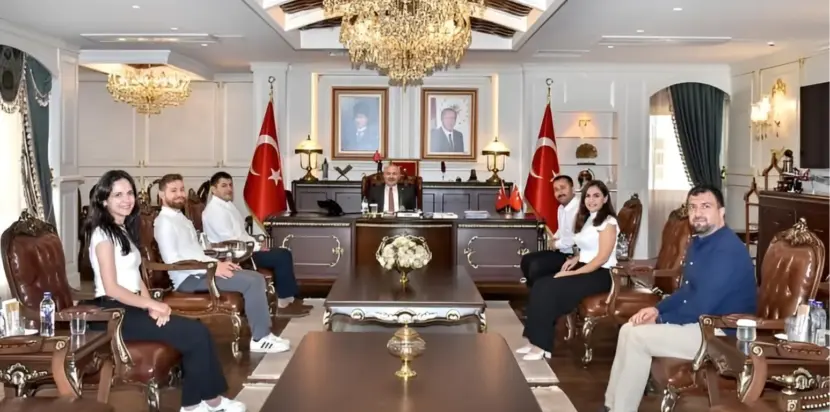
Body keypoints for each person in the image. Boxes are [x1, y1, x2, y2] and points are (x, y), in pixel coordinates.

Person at [84, 170, 246, 412]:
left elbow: (136, 277)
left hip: (132, 306)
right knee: (195, 333)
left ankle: (203, 402)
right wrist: (151, 305)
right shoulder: (103, 235)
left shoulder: (122, 229)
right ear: (104, 200)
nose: (126, 199)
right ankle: (199, 404)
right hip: (113, 313)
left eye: (129, 193)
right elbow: (112, 287)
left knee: (197, 330)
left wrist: (150, 305)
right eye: (118, 195)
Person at [602, 184, 756, 412]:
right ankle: (610, 405)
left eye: (706, 206)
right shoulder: (699, 241)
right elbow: (687, 291)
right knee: (628, 329)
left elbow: (703, 305)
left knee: (637, 338)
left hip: (721, 333)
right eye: (692, 207)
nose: (698, 213)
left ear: (721, 212)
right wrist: (657, 309)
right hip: (701, 324)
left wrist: (662, 320)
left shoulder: (727, 250)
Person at [153, 173, 289, 353]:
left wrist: (219, 263)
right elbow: (173, 261)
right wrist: (213, 268)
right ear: (162, 195)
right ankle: (260, 339)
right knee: (253, 281)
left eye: (181, 189)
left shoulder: (180, 218)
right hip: (189, 280)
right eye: (173, 191)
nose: (179, 194)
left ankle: (264, 333)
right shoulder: (163, 223)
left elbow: (198, 252)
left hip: (202, 271)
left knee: (255, 277)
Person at [517, 180, 618, 361]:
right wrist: (575, 259)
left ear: (605, 199)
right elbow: (589, 248)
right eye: (588, 196)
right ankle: (535, 341)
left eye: (596, 196)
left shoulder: (608, 222)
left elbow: (601, 258)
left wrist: (571, 273)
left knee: (548, 287)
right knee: (540, 285)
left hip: (600, 274)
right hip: (586, 267)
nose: (591, 200)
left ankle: (542, 345)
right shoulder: (589, 219)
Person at [201, 171, 309, 317]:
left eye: (230, 185)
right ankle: (283, 303)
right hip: (232, 255)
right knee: (281, 256)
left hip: (244, 249)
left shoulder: (228, 206)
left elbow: (242, 235)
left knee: (283, 252)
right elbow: (231, 240)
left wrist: (257, 242)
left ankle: (289, 299)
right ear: (213, 189)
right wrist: (257, 247)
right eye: (224, 186)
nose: (229, 189)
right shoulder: (214, 211)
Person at [519, 175, 580, 287]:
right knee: (527, 260)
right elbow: (562, 230)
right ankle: (534, 292)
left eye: (563, 188)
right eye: (556, 190)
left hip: (575, 255)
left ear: (573, 188)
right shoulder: (561, 208)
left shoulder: (579, 208)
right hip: (562, 251)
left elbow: (574, 238)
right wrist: (554, 238)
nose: (560, 192)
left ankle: (540, 293)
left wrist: (555, 244)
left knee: (536, 266)